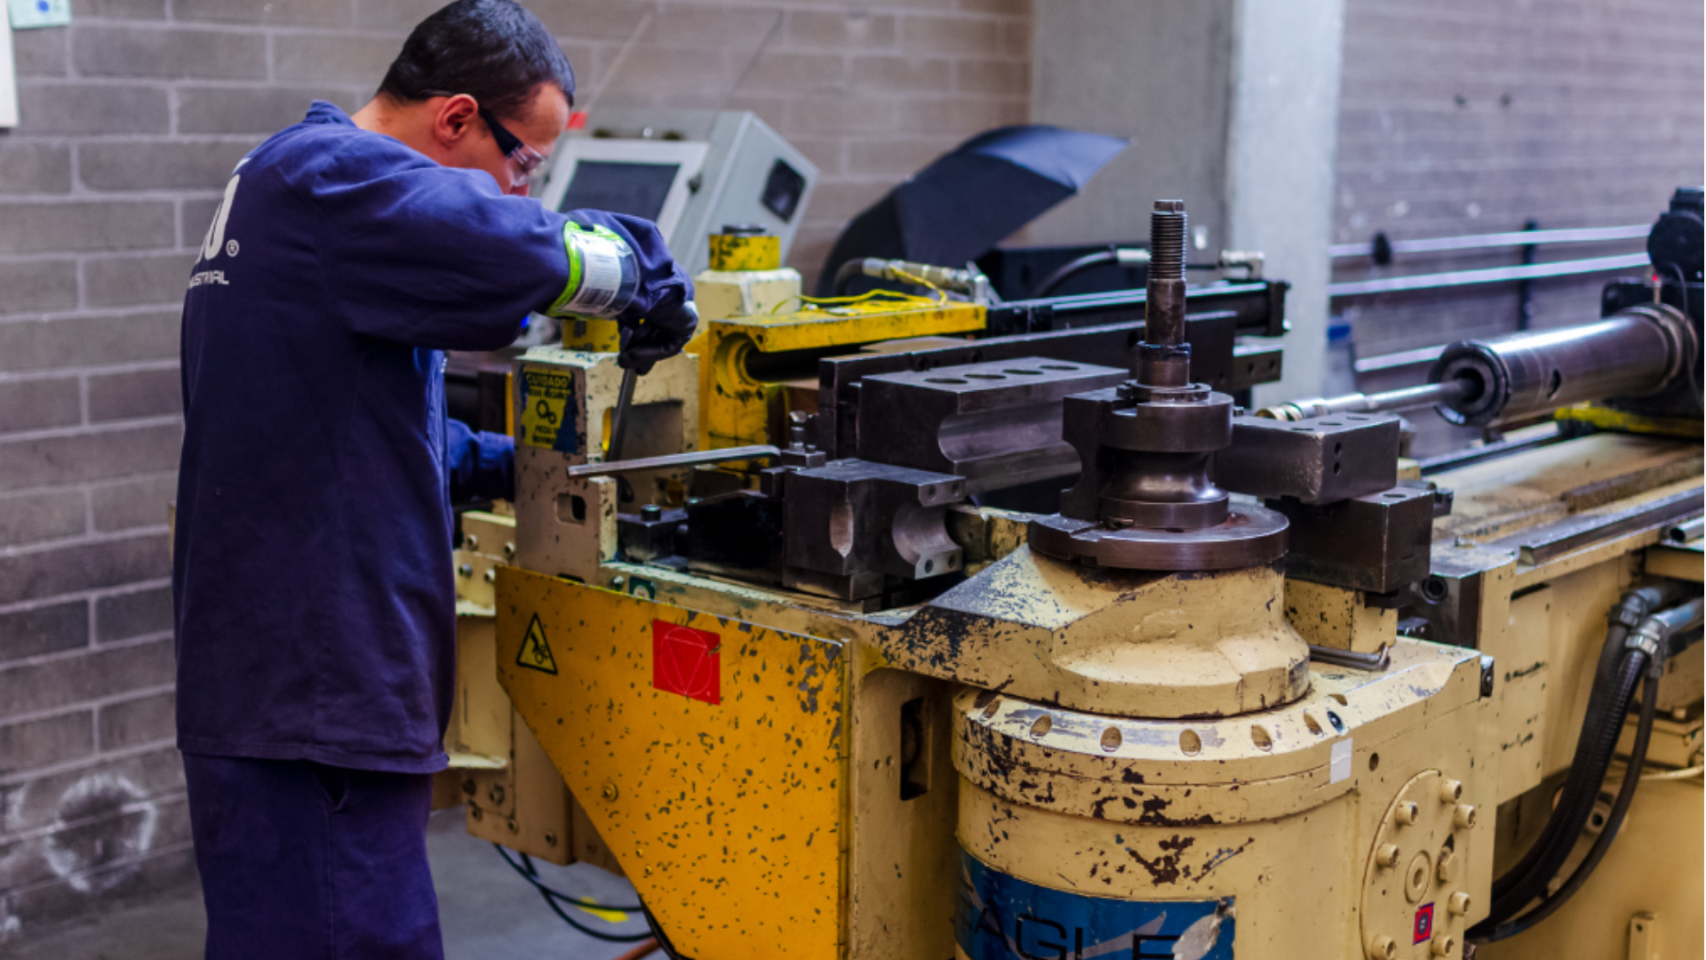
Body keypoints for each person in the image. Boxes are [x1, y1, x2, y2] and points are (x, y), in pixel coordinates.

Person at [170, 2, 695, 956]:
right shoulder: (333, 175)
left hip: (286, 689)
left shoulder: (295, 190)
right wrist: (639, 271)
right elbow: (522, 250)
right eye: (522, 165)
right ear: (455, 118)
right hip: (316, 699)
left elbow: (346, 427)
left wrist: (530, 467)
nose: (516, 189)